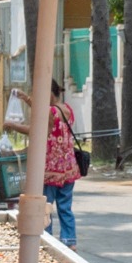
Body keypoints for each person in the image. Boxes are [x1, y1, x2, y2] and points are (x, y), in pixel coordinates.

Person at [37, 78, 80, 245]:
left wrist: (12, 126)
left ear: (50, 93)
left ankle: (47, 242)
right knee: (65, 207)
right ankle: (69, 241)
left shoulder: (50, 111)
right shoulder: (67, 109)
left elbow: (37, 130)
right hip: (69, 168)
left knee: (46, 207)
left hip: (51, 169)